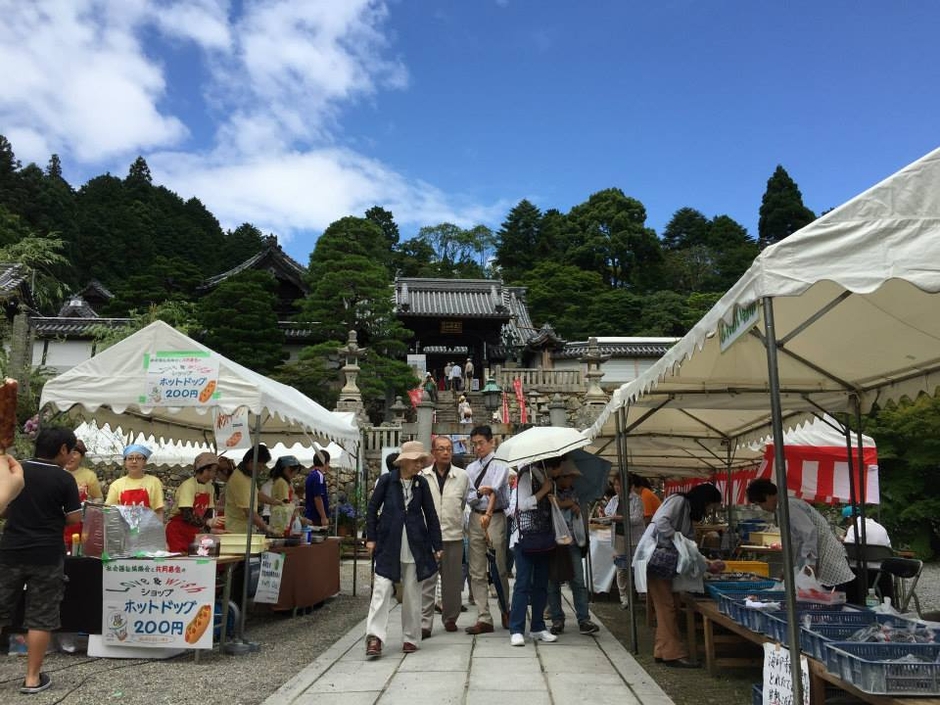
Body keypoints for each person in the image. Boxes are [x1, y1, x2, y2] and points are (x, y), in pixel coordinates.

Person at [0, 427, 82, 694]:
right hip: (47, 555)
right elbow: (74, 518)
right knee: (40, 617)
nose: (70, 456)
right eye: (70, 451)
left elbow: (4, 506)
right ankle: (32, 679)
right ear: (62, 450)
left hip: (10, 551)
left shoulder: (15, 470)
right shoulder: (63, 479)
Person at [365, 441, 442, 658]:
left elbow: (431, 514)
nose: (420, 465)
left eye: (421, 461)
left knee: (411, 592)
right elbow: (372, 510)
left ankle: (410, 637)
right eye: (417, 461)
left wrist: (437, 545)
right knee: (381, 590)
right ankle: (374, 637)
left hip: (415, 544)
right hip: (389, 543)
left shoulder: (422, 484)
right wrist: (371, 538)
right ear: (405, 461)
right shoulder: (386, 481)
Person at [634, 483, 726, 668]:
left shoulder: (686, 508)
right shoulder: (679, 501)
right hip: (659, 560)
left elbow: (689, 547)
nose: (709, 511)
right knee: (667, 607)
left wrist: (705, 563)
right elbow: (661, 522)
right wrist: (676, 538)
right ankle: (673, 653)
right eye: (710, 506)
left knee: (669, 606)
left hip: (664, 564)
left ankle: (663, 649)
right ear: (705, 500)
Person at [746, 478, 855, 589]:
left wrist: (810, 563)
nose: (762, 508)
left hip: (828, 561)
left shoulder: (789, 506)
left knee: (831, 599)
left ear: (768, 496)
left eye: (760, 504)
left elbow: (809, 533)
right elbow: (794, 542)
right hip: (820, 562)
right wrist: (788, 568)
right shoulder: (782, 508)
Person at [507, 456, 563, 646]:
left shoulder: (546, 477)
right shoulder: (526, 475)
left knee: (541, 584)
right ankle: (516, 628)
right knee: (522, 583)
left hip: (544, 537)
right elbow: (522, 505)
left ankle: (538, 627)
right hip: (525, 537)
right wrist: (544, 491)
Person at [463, 425, 511, 634]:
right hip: (475, 517)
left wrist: (485, 500)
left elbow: (496, 490)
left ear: (491, 442)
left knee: (499, 567)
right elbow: (470, 497)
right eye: (474, 444)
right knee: (476, 569)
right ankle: (484, 616)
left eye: (481, 443)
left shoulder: (501, 465)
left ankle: (505, 609)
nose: (478, 448)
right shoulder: (470, 469)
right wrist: (480, 494)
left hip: (496, 516)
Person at [420, 436, 469, 635]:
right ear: (433, 452)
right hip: (428, 536)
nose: (446, 452)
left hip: (453, 534)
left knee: (453, 581)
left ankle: (450, 617)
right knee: (427, 581)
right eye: (441, 449)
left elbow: (463, 503)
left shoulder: (462, 476)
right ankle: (424, 623)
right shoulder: (422, 476)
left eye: (449, 449)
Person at [546, 464, 599, 635]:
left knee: (578, 582)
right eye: (569, 477)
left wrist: (569, 503)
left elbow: (575, 509)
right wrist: (566, 503)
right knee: (553, 582)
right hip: (553, 542)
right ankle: (557, 619)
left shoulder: (575, 492)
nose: (572, 480)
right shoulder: (550, 488)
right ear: (561, 476)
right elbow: (552, 504)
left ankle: (583, 619)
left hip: (572, 542)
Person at [165, 452, 224, 553]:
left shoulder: (210, 487)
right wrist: (207, 522)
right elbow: (186, 514)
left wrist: (211, 528)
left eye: (214, 471)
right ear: (199, 468)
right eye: (208, 470)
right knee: (180, 561)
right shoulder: (188, 485)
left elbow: (208, 513)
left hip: (194, 530)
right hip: (178, 529)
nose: (211, 475)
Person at [605, 473, 645, 609]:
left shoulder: (636, 499)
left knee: (636, 566)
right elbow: (607, 512)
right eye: (616, 484)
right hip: (619, 536)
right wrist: (610, 517)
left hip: (634, 537)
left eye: (620, 485)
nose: (617, 488)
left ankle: (640, 593)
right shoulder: (614, 500)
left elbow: (637, 518)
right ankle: (624, 597)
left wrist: (620, 518)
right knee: (621, 567)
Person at [105, 444, 165, 520]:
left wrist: (158, 530)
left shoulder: (154, 482)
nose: (134, 461)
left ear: (145, 461)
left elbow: (159, 511)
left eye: (139, 458)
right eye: (130, 458)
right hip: (123, 529)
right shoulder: (116, 485)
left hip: (148, 529)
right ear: (125, 462)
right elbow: (109, 511)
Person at [62, 438, 103, 547]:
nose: (70, 457)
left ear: (81, 456)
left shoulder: (89, 476)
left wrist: (89, 507)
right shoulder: (56, 474)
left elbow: (98, 498)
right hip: (60, 524)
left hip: (82, 525)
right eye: (68, 452)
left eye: (74, 453)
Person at [225, 445, 273, 535]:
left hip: (247, 529)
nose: (261, 470)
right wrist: (267, 528)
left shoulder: (249, 476)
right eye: (259, 466)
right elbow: (249, 512)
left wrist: (274, 502)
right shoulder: (239, 479)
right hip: (237, 532)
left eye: (263, 467)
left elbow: (256, 494)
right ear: (251, 461)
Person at [269, 455, 302, 535]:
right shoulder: (282, 483)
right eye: (295, 472)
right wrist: (296, 510)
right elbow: (285, 505)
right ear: (287, 469)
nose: (295, 475)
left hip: (282, 519)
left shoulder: (282, 482)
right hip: (282, 521)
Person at [304, 450, 331, 529]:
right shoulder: (319, 476)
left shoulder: (311, 475)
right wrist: (323, 517)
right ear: (325, 462)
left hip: (310, 514)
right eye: (328, 462)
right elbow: (318, 497)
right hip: (316, 517)